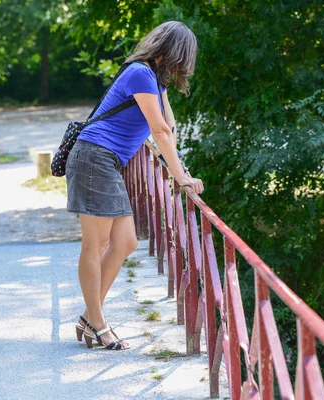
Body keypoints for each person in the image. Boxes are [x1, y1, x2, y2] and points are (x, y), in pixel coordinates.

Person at [66, 21, 204, 350]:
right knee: (95, 245)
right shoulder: (140, 74)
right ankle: (98, 324)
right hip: (94, 158)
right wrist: (180, 176)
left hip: (107, 162)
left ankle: (88, 316)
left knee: (125, 241)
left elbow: (168, 126)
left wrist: (165, 90)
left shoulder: (153, 81)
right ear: (175, 53)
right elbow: (159, 131)